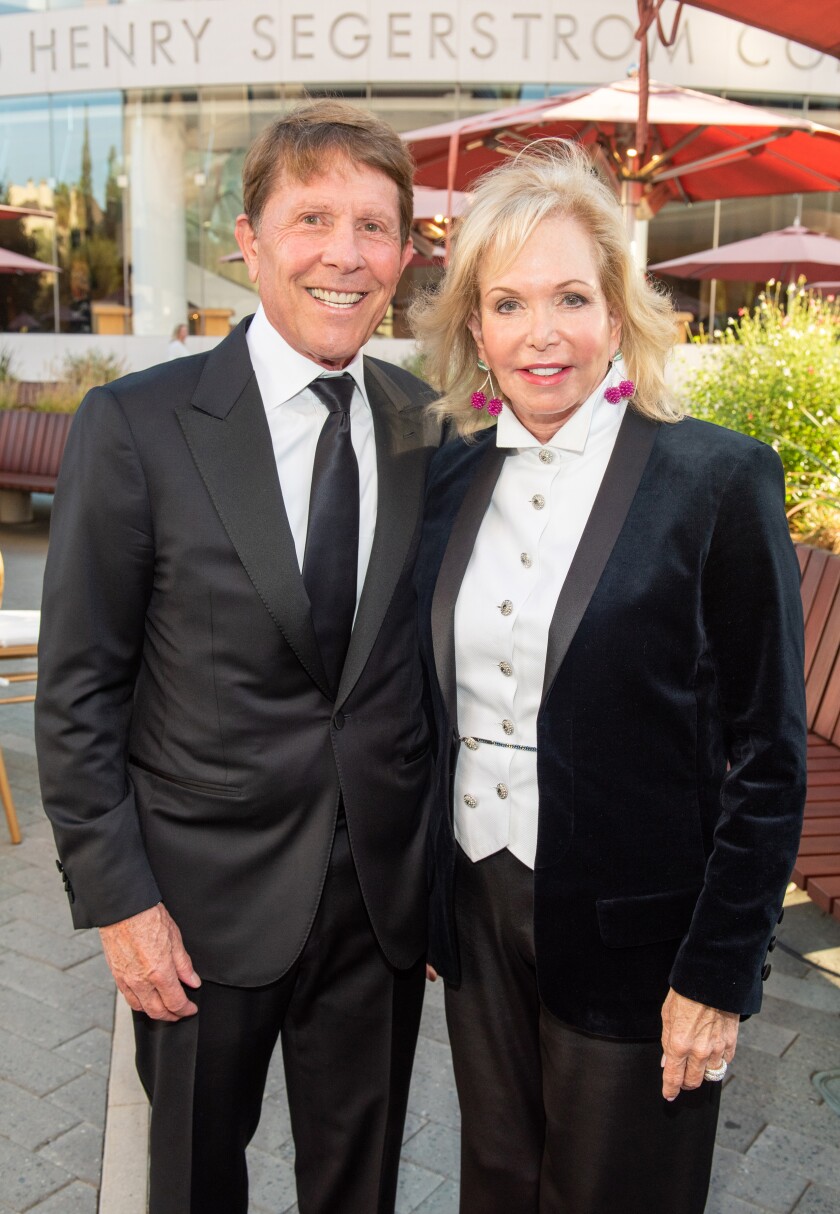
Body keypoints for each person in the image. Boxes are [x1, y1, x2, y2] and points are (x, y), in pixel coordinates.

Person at [35, 99, 442, 1214]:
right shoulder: (137, 425)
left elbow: (425, 671)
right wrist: (119, 901)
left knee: (356, 1187)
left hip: (377, 906)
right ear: (249, 241)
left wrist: (438, 888)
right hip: (195, 912)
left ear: (406, 257)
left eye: (373, 226)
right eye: (312, 218)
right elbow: (76, 692)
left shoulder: (424, 429)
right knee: (191, 1183)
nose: (344, 254)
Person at [412, 143, 806, 1214]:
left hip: (642, 935)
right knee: (496, 1185)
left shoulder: (715, 477)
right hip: (479, 906)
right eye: (509, 302)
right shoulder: (448, 477)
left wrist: (719, 973)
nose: (542, 333)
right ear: (474, 329)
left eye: (571, 296)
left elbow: (768, 756)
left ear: (620, 311)